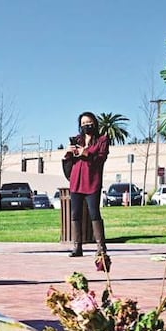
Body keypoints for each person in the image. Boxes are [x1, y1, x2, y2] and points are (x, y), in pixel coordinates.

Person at [65, 111, 110, 262]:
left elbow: (101, 158)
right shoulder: (77, 139)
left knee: (94, 213)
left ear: (95, 123)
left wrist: (86, 153)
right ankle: (77, 246)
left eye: (89, 123)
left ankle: (101, 247)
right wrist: (69, 152)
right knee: (75, 213)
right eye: (83, 124)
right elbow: (69, 158)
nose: (86, 126)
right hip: (76, 181)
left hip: (92, 181)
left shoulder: (102, 140)